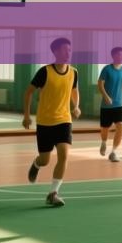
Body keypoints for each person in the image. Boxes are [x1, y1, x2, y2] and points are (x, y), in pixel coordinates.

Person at [22, 37, 81, 207]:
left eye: (69, 50)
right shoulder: (45, 72)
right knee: (45, 160)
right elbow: (28, 92)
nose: (68, 53)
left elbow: (75, 91)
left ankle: (53, 193)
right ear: (55, 52)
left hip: (64, 120)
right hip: (45, 122)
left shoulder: (74, 72)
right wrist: (26, 116)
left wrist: (76, 106)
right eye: (64, 50)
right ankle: (36, 164)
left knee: (64, 156)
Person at [97, 46, 122, 162]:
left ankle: (113, 152)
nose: (121, 57)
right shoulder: (107, 69)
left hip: (119, 105)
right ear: (113, 56)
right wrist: (106, 96)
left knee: (121, 126)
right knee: (105, 129)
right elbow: (100, 84)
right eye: (118, 54)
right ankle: (104, 142)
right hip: (106, 106)